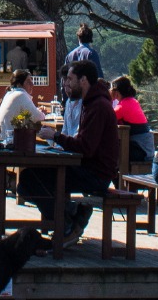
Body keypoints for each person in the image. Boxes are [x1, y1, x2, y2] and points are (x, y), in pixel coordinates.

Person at [20, 59, 118, 246]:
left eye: (71, 79)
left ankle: (67, 224)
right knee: (28, 179)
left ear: (83, 80)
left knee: (29, 180)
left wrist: (56, 136)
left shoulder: (97, 106)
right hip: (88, 167)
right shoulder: (92, 102)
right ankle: (73, 212)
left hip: (95, 173)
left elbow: (85, 147)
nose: (67, 83)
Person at [110, 75, 154, 164]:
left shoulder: (122, 107)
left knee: (108, 151)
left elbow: (106, 119)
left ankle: (115, 177)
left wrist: (109, 99)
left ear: (116, 92)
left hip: (139, 150)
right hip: (147, 149)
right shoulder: (133, 101)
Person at [0, 69, 45, 138]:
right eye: (28, 81)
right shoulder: (20, 94)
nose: (32, 84)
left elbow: (29, 112)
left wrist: (36, 111)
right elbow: (37, 117)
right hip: (8, 141)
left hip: (1, 138)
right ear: (19, 84)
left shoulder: (10, 93)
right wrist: (42, 113)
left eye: (31, 80)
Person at [60, 64, 82, 137]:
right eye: (64, 80)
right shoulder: (68, 102)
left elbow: (79, 136)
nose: (66, 83)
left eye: (69, 79)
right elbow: (65, 132)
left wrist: (54, 136)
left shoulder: (85, 103)